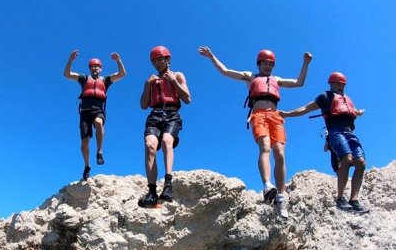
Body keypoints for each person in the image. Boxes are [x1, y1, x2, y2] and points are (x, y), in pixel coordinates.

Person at [198, 46, 312, 219]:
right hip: (258, 116)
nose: (268, 66)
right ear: (259, 64)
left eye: (271, 64)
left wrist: (306, 63)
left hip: (275, 116)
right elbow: (225, 71)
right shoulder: (250, 76)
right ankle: (267, 185)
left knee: (280, 153)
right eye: (265, 63)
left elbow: (299, 83)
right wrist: (212, 56)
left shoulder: (276, 79)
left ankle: (281, 196)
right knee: (265, 147)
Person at [278, 72, 370, 213]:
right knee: (347, 158)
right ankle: (340, 199)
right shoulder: (325, 97)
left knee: (361, 162)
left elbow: (352, 111)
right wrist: (287, 114)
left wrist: (358, 112)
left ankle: (354, 200)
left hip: (349, 132)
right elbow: (305, 108)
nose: (340, 86)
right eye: (338, 84)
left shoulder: (347, 99)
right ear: (331, 84)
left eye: (342, 84)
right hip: (335, 131)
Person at [138, 46, 191, 207]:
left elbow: (187, 99)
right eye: (154, 61)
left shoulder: (177, 75)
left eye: (160, 59)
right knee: (149, 145)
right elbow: (143, 105)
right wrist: (147, 85)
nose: (157, 63)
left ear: (167, 59)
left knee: (167, 141)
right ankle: (152, 191)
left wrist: (173, 81)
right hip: (154, 115)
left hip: (172, 114)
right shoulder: (151, 80)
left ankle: (168, 184)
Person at [64, 49, 126, 180]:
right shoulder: (84, 79)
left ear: (101, 68)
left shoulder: (106, 80)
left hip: (98, 109)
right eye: (92, 67)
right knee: (84, 142)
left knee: (98, 123)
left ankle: (99, 152)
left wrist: (118, 60)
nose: (94, 68)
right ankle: (87, 166)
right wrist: (70, 60)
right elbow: (67, 74)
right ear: (89, 69)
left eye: (96, 66)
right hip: (85, 112)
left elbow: (122, 74)